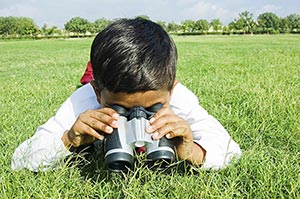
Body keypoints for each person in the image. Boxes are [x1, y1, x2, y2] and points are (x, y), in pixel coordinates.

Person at [11, 18, 241, 172]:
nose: (137, 118)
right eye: (120, 109)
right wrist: (69, 139)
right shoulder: (84, 99)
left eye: (154, 107)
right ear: (97, 93)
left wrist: (191, 151)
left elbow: (231, 149)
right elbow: (19, 160)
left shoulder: (179, 99)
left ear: (171, 89)